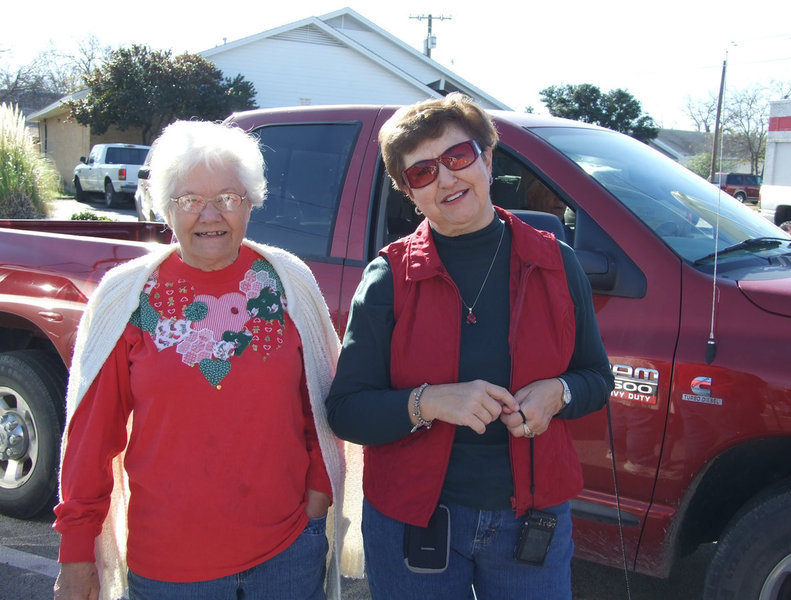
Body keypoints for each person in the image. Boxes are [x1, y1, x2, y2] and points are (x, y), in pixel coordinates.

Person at [326, 92, 614, 599]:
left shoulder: (556, 263)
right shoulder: (388, 278)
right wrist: (431, 401)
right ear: (408, 193)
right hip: (415, 523)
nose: (446, 178)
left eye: (458, 157)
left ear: (487, 158)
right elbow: (347, 411)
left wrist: (559, 393)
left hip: (532, 520)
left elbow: (596, 377)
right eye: (422, 173)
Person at [53, 120, 347, 600]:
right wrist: (77, 553)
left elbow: (322, 405)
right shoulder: (128, 297)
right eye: (190, 200)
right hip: (168, 569)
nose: (210, 214)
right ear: (166, 208)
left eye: (228, 197)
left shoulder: (288, 283)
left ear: (251, 202)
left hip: (287, 556)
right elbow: (91, 438)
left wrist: (317, 501)